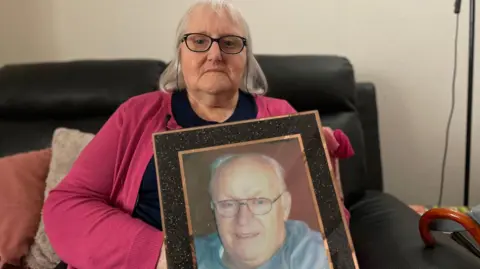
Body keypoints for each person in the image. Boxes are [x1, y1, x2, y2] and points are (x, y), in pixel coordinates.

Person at [42, 1, 354, 269]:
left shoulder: (281, 116)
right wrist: (161, 255)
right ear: (180, 53)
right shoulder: (136, 115)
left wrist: (323, 174)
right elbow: (66, 207)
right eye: (199, 41)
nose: (215, 55)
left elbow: (328, 225)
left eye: (230, 43)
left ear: (246, 57)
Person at [194, 153, 330, 269]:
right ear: (214, 209)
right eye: (228, 204)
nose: (243, 220)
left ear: (285, 206)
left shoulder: (314, 254)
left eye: (259, 202)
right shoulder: (193, 253)